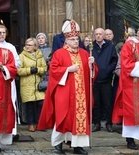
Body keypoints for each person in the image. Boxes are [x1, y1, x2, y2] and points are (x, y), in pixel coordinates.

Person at [37, 20, 97, 155]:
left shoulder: (85, 53)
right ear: (66, 40)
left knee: (80, 118)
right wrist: (68, 69)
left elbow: (91, 74)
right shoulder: (59, 53)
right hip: (65, 92)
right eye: (73, 39)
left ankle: (78, 145)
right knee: (63, 117)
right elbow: (53, 71)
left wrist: (92, 65)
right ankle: (58, 144)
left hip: (81, 94)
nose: (76, 41)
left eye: (77, 39)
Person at [0, 24, 21, 141]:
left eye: (4, 32)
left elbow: (17, 63)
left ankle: (13, 130)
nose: (1, 35)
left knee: (11, 102)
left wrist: (6, 68)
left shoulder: (10, 47)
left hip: (8, 79)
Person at [17, 38, 47, 132]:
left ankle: (39, 123)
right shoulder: (21, 56)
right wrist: (29, 70)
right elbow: (18, 70)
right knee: (29, 105)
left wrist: (38, 70)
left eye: (30, 45)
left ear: (35, 46)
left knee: (40, 104)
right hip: (27, 84)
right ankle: (30, 124)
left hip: (38, 84)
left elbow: (44, 68)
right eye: (26, 44)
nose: (27, 46)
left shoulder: (39, 55)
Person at [92, 28, 118, 133]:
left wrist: (108, 70)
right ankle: (96, 123)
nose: (98, 36)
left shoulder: (110, 46)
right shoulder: (90, 47)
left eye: (100, 34)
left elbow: (114, 60)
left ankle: (109, 123)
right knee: (95, 103)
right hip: (94, 79)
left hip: (106, 79)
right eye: (96, 34)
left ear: (104, 35)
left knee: (108, 102)